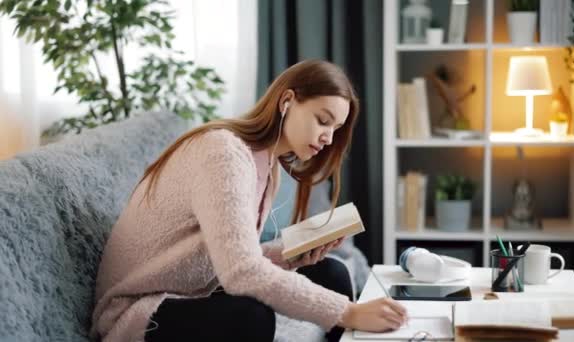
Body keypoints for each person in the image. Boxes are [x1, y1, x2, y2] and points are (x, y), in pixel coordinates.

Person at [90, 59, 408, 342]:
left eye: (336, 129)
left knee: (331, 272)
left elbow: (232, 258)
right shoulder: (223, 153)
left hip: (197, 289)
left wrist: (290, 255)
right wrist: (347, 312)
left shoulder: (267, 166)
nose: (328, 138)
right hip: (139, 311)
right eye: (323, 120)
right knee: (250, 316)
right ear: (287, 101)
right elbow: (240, 272)